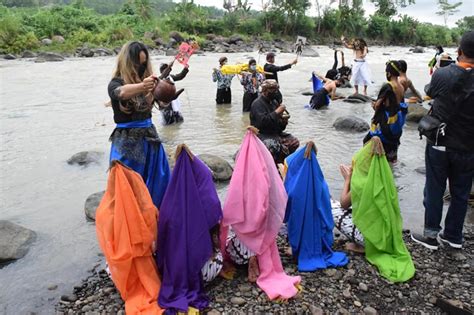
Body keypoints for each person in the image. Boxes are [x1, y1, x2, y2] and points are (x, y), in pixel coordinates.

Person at [220, 128, 301, 300]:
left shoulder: (240, 183)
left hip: (241, 253)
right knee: (260, 227)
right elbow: (276, 211)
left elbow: (228, 218)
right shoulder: (267, 182)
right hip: (264, 241)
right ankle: (257, 257)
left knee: (233, 234)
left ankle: (252, 258)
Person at [411, 31, 474, 250]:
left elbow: (429, 92)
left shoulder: (443, 74)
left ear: (459, 51)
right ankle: (454, 236)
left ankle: (430, 235)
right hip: (468, 147)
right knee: (461, 193)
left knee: (435, 188)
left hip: (440, 142)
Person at [334, 137, 415, 282]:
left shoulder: (362, 183)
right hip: (386, 237)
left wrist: (348, 180)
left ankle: (362, 245)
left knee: (331, 208)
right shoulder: (385, 178)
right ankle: (367, 243)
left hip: (370, 239)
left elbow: (343, 204)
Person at [157, 145, 223, 313]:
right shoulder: (208, 202)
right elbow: (215, 233)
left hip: (169, 275)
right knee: (218, 254)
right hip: (202, 273)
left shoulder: (167, 205)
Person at [107, 41, 170, 209]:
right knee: (129, 189)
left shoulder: (145, 82)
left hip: (150, 139)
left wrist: (159, 92)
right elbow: (120, 93)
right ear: (128, 63)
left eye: (144, 64)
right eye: (137, 64)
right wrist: (143, 86)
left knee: (158, 184)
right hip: (127, 143)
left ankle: (156, 219)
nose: (141, 68)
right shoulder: (116, 83)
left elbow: (150, 104)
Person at [283, 141, 349, 272]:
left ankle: (297, 248)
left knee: (293, 219)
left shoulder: (293, 189)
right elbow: (327, 217)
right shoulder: (321, 183)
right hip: (323, 241)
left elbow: (286, 216)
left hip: (300, 240)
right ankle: (316, 248)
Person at [363, 60, 407, 163]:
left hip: (385, 123)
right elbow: (400, 104)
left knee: (367, 142)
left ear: (389, 73)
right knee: (391, 153)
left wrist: (374, 106)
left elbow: (378, 105)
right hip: (396, 122)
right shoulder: (401, 87)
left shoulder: (388, 86)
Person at [250, 80, 300, 164]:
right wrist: (277, 112)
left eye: (276, 89)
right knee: (273, 145)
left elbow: (279, 125)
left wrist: (283, 122)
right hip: (262, 134)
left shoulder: (274, 102)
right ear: (265, 91)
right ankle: (271, 165)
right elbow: (263, 122)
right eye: (272, 90)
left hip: (275, 133)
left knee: (294, 142)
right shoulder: (257, 104)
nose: (275, 92)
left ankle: (283, 162)